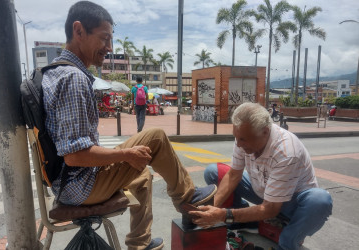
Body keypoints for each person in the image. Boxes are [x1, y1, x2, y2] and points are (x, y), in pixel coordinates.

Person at [41, 2, 216, 250]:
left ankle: (140, 244)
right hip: (78, 185)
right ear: (78, 31)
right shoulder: (73, 78)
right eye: (104, 39)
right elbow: (76, 156)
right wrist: (125, 153)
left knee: (143, 171)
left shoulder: (54, 72)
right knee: (154, 137)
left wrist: (130, 156)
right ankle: (186, 197)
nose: (109, 48)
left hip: (69, 183)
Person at [190, 103, 332, 250]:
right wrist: (212, 208)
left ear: (265, 132)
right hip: (264, 191)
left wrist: (223, 215)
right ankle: (246, 221)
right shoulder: (243, 136)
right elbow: (234, 175)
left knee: (319, 201)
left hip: (290, 203)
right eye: (236, 138)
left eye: (243, 139)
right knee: (213, 171)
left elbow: (270, 208)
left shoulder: (286, 152)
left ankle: (289, 240)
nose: (238, 144)